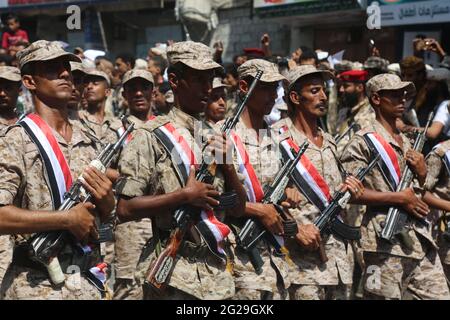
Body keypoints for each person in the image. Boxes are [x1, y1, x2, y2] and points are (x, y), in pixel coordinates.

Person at [116, 41, 246, 300]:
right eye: (199, 79)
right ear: (174, 80)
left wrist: (228, 167)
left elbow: (239, 208)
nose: (208, 88)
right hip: (174, 276)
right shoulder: (151, 136)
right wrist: (183, 196)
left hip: (218, 273)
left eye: (210, 79)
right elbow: (125, 209)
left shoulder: (214, 137)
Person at [0, 40, 115, 300]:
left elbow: (105, 219)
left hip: (88, 282)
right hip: (36, 286)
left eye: (66, 67)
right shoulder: (14, 140)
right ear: (29, 82)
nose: (65, 73)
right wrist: (64, 219)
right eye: (52, 69)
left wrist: (109, 203)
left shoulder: (90, 141)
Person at [340, 73, 450, 300]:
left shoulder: (408, 140)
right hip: (382, 241)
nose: (402, 99)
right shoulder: (362, 140)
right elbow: (349, 192)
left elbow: (418, 191)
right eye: (395, 95)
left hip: (418, 238)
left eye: (404, 95)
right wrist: (398, 198)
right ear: (376, 99)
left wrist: (421, 174)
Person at [272, 65, 363, 300]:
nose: (323, 97)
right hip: (303, 264)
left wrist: (350, 188)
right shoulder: (276, 138)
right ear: (295, 97)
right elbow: (263, 198)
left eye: (323, 91)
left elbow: (336, 188)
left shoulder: (330, 141)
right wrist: (294, 228)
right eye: (314, 91)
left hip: (340, 262)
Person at [219, 59, 291, 300]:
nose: (273, 95)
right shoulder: (221, 134)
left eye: (276, 88)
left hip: (276, 259)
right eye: (266, 87)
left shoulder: (273, 137)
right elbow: (213, 198)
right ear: (243, 87)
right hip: (241, 259)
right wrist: (258, 211)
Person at [113, 69, 156, 300]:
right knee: (129, 289)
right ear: (125, 94)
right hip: (129, 225)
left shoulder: (165, 129)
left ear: (153, 91)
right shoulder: (116, 131)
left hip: (162, 219)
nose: (139, 93)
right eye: (132, 88)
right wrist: (129, 180)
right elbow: (99, 169)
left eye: (144, 87)